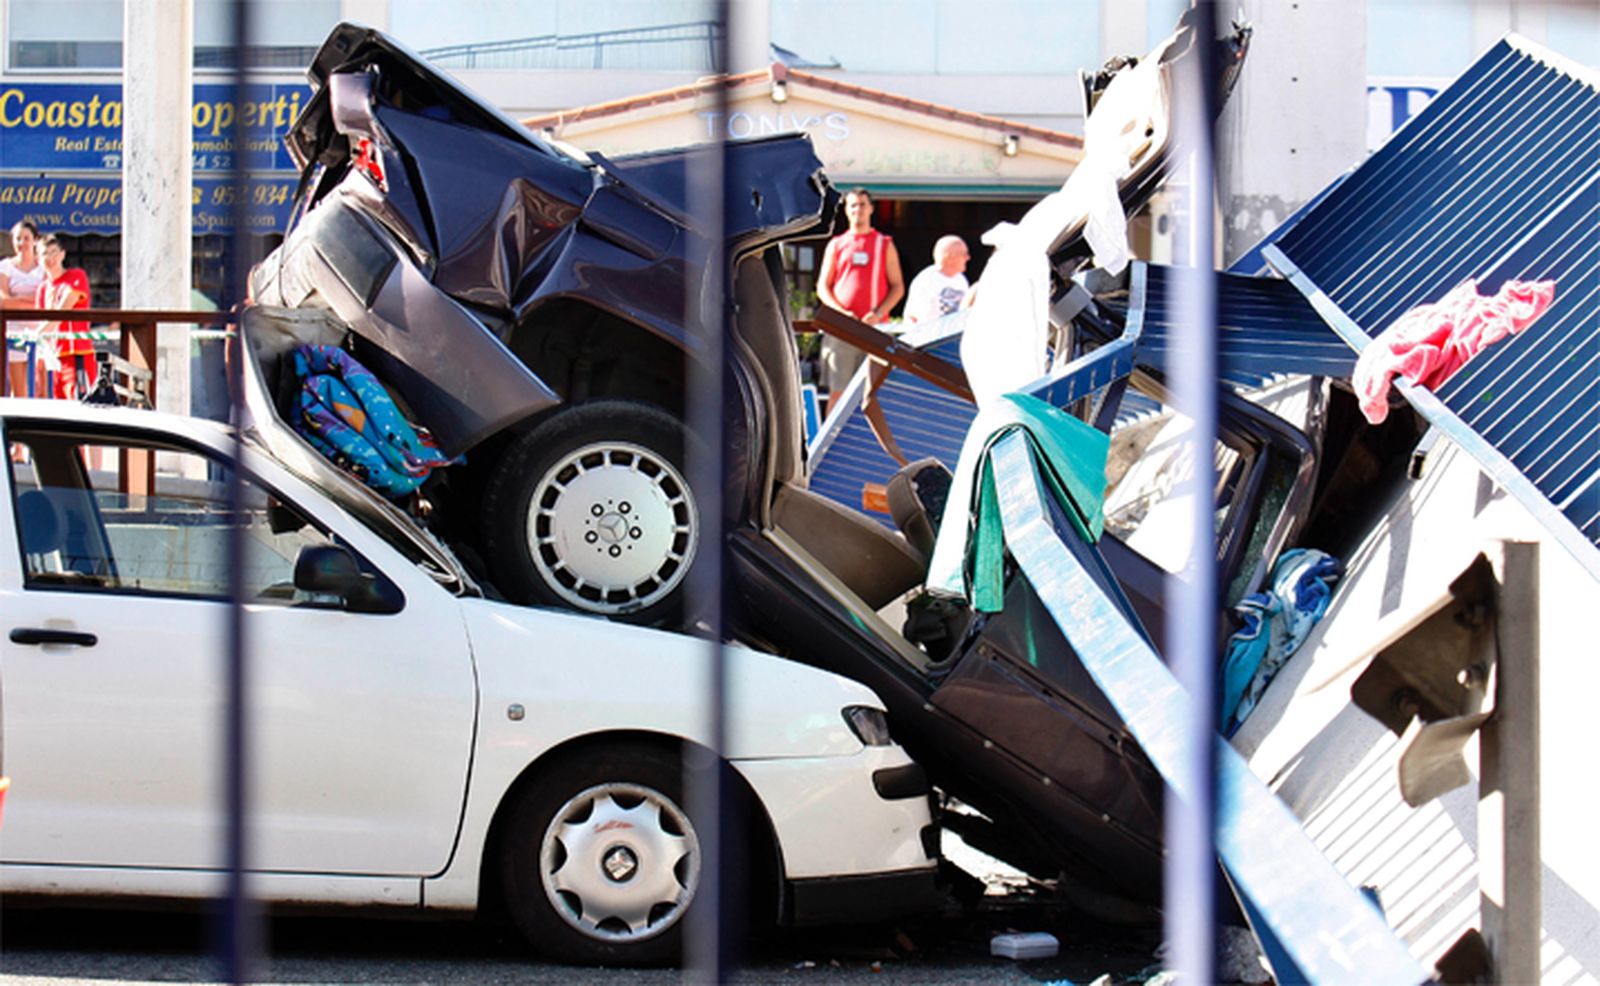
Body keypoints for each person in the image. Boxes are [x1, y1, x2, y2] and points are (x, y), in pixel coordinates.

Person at [815, 188, 904, 395]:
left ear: (871, 209)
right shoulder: (836, 244)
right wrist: (841, 313)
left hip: (874, 329)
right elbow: (822, 286)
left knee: (872, 393)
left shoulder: (884, 244)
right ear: (846, 210)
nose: (858, 210)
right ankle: (835, 429)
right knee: (838, 393)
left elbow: (897, 286)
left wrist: (879, 313)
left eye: (863, 205)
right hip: (842, 330)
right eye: (853, 205)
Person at [33, 234, 97, 401]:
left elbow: (62, 311)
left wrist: (33, 335)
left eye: (54, 252)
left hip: (77, 354)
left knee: (81, 405)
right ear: (38, 259)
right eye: (45, 253)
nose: (50, 258)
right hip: (52, 359)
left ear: (62, 254)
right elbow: (42, 321)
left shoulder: (76, 276)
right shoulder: (42, 289)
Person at [0, 220, 48, 396]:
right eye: (17, 239)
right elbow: (3, 301)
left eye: (26, 238)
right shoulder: (5, 266)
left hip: (41, 331)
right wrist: (33, 300)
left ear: (35, 240)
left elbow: (47, 300)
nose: (22, 243)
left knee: (42, 388)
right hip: (13, 331)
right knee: (19, 389)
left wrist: (17, 299)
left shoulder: (43, 266)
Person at [903, 234, 971, 324]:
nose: (968, 258)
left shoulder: (961, 280)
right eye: (964, 254)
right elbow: (913, 317)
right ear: (950, 258)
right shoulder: (926, 280)